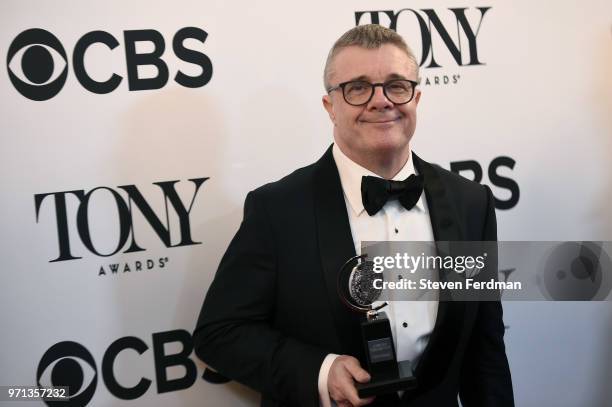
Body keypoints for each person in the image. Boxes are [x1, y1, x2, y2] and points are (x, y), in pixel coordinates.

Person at [193, 24, 514, 407]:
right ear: (331, 106)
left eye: (397, 85)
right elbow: (219, 333)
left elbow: (486, 350)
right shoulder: (277, 210)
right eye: (358, 88)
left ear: (416, 98)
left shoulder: (470, 203)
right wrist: (321, 371)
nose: (381, 101)